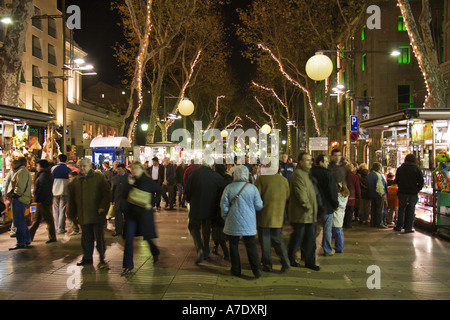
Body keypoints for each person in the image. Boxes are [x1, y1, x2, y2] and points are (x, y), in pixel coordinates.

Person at [221, 165, 263, 278]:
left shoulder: (229, 188)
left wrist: (225, 217)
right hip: (249, 223)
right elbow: (259, 206)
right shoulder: (252, 188)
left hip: (232, 221)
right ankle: (256, 269)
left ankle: (236, 269)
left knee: (233, 245)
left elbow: (223, 206)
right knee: (250, 245)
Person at [68, 158, 111, 268]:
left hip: (97, 214)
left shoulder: (99, 178)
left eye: (84, 166)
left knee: (99, 238)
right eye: (80, 166)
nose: (82, 168)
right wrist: (72, 214)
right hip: (83, 214)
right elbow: (72, 200)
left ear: (90, 166)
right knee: (86, 238)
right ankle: (87, 257)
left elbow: (106, 195)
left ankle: (102, 257)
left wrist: (102, 207)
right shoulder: (76, 181)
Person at [121, 161, 162, 276]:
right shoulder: (131, 180)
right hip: (131, 215)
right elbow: (124, 195)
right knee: (129, 239)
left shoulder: (147, 181)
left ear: (142, 169)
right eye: (133, 169)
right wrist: (129, 184)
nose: (135, 171)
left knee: (147, 237)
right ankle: (128, 265)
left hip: (144, 214)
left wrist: (152, 203)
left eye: (137, 169)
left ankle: (155, 252)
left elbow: (159, 191)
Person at [185, 159, 225, 264]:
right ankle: (206, 251)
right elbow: (223, 187)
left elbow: (187, 189)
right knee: (206, 230)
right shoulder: (215, 176)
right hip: (210, 208)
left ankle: (200, 249)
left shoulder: (194, 174)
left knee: (193, 227)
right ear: (212, 165)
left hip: (196, 207)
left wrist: (188, 199)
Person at [254, 162, 290, 273]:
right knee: (278, 240)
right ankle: (285, 262)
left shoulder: (261, 179)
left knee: (265, 241)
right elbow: (288, 195)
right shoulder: (283, 180)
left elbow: (256, 196)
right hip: (278, 215)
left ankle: (267, 264)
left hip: (264, 215)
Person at [287, 152, 321, 271]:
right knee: (298, 238)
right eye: (307, 160)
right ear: (300, 162)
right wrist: (308, 207)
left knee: (309, 239)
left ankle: (309, 261)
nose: (310, 162)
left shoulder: (308, 174)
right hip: (302, 214)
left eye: (310, 160)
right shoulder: (298, 175)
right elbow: (301, 195)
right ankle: (290, 258)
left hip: (309, 214)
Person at [310, 154, 339, 257]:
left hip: (314, 206)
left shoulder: (310, 173)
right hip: (327, 206)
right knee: (327, 229)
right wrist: (335, 204)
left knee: (313, 228)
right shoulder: (327, 174)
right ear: (321, 162)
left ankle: (310, 248)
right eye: (326, 162)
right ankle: (327, 249)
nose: (327, 164)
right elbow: (332, 191)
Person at [394, 154, 424, 233]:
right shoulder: (417, 169)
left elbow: (396, 181)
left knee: (401, 209)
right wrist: (417, 189)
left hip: (402, 192)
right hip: (413, 193)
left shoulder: (400, 169)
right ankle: (408, 228)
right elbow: (421, 181)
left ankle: (399, 226)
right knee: (411, 210)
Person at [6, 158, 32, 250]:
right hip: (20, 198)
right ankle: (26, 239)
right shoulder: (21, 171)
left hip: (19, 199)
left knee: (18, 221)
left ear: (13, 165)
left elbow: (20, 186)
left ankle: (21, 242)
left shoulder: (21, 172)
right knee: (21, 221)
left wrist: (15, 195)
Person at [29, 160, 56, 244]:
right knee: (36, 220)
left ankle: (52, 237)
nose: (36, 167)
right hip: (43, 200)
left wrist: (36, 198)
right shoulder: (46, 174)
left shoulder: (44, 175)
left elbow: (42, 189)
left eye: (37, 165)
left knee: (48, 219)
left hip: (43, 200)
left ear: (41, 166)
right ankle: (29, 237)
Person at [211, 163, 232, 260]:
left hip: (217, 209)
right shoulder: (229, 179)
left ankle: (226, 252)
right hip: (228, 208)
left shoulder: (215, 179)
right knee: (221, 230)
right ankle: (216, 248)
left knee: (218, 231)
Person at [51, 154, 72, 234]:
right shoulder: (68, 169)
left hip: (55, 191)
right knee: (62, 209)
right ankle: (61, 228)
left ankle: (57, 227)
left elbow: (51, 180)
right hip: (65, 191)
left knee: (56, 210)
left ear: (58, 159)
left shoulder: (54, 168)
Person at [367, 162, 388, 229]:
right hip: (378, 195)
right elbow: (380, 186)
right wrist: (383, 194)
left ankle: (373, 222)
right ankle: (379, 223)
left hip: (371, 194)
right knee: (379, 209)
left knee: (373, 209)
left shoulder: (369, 175)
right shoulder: (379, 175)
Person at [111, 163, 129, 236]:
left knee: (127, 217)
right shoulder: (114, 178)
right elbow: (113, 190)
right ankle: (118, 230)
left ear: (124, 169)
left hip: (127, 200)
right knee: (117, 217)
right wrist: (112, 200)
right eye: (117, 169)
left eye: (120, 169)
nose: (118, 171)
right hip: (117, 200)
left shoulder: (129, 177)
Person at [332, 183, 350, 253]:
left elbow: (337, 204)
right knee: (339, 231)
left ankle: (339, 247)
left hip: (337, 214)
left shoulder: (338, 196)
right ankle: (339, 246)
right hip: (341, 214)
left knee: (338, 231)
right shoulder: (345, 196)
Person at [343, 163, 361, 228]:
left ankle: (344, 223)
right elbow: (357, 187)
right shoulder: (355, 176)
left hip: (343, 194)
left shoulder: (343, 176)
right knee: (350, 210)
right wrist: (359, 195)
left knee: (344, 210)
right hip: (352, 195)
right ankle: (348, 224)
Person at [67, 171, 80, 235]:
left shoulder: (71, 184)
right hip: (77, 202)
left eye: (70, 177)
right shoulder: (80, 182)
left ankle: (76, 228)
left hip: (74, 203)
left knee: (74, 216)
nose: (70, 179)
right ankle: (75, 228)